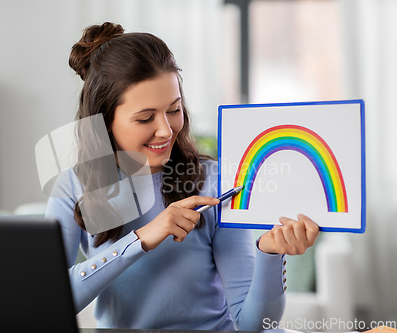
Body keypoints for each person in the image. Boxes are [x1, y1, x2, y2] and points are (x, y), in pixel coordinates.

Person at [45, 22, 320, 330]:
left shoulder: (213, 181)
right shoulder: (73, 186)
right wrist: (142, 238)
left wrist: (270, 253)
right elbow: (47, 301)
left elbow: (253, 324)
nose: (166, 130)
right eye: (146, 118)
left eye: (173, 110)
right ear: (104, 119)